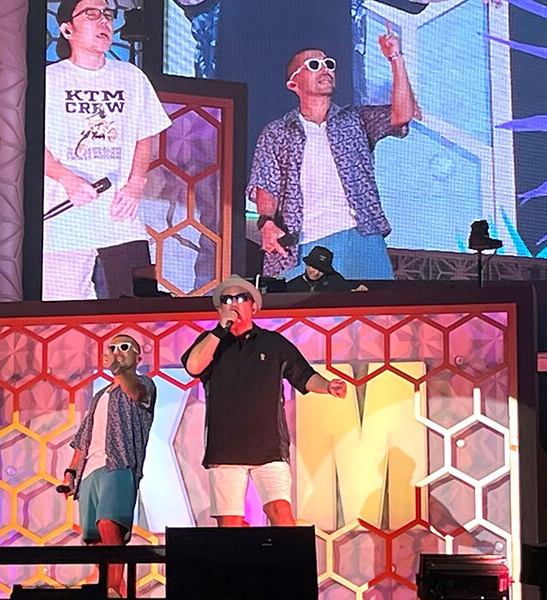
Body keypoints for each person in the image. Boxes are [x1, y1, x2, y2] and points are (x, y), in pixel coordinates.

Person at [248, 25, 418, 281]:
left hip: (360, 237)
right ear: (293, 83)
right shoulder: (277, 131)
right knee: (302, 307)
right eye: (314, 65)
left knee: (376, 306)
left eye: (328, 64)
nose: (325, 69)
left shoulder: (355, 119)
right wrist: (266, 223)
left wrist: (395, 58)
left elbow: (401, 115)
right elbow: (266, 183)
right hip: (302, 244)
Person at [181, 275, 347, 527]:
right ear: (219, 309)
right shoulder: (211, 342)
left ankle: (289, 556)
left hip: (269, 447)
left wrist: (327, 386)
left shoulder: (272, 343)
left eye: (241, 298)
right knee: (230, 524)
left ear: (254, 307)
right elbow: (194, 366)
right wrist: (219, 331)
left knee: (281, 512)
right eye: (226, 299)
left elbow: (303, 375)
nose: (234, 303)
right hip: (225, 448)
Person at [43, 0, 172, 300]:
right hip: (64, 220)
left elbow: (145, 135)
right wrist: (66, 177)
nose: (104, 21)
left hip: (121, 218)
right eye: (91, 14)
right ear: (67, 29)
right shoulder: (49, 80)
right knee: (63, 312)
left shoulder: (131, 77)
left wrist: (136, 184)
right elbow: (31, 143)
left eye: (108, 15)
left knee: (139, 305)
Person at [59, 334, 157, 598]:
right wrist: (71, 472)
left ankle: (114, 587)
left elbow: (135, 392)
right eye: (112, 348)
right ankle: (111, 587)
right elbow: (83, 437)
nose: (117, 351)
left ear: (138, 356)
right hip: (90, 469)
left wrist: (119, 370)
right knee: (93, 536)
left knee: (109, 524)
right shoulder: (100, 395)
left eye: (124, 347)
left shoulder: (144, 384)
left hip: (119, 463)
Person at [286, 245, 355, 292]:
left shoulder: (335, 281)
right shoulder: (292, 286)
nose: (316, 273)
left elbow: (351, 289)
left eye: (321, 270)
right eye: (314, 267)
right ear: (307, 264)